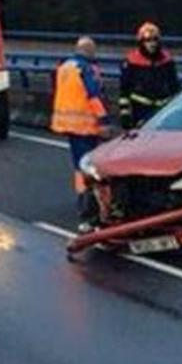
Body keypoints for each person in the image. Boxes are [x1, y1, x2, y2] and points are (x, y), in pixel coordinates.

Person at [51, 36, 109, 232]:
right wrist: (103, 120)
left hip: (68, 123)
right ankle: (89, 205)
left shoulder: (64, 66)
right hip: (85, 124)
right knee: (91, 166)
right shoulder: (86, 69)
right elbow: (93, 95)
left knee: (78, 165)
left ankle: (82, 200)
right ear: (89, 51)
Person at [118, 22, 181, 129]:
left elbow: (175, 87)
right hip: (139, 110)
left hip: (163, 110)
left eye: (155, 40)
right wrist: (125, 115)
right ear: (141, 42)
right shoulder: (132, 61)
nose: (152, 44)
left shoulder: (167, 61)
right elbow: (124, 91)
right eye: (148, 40)